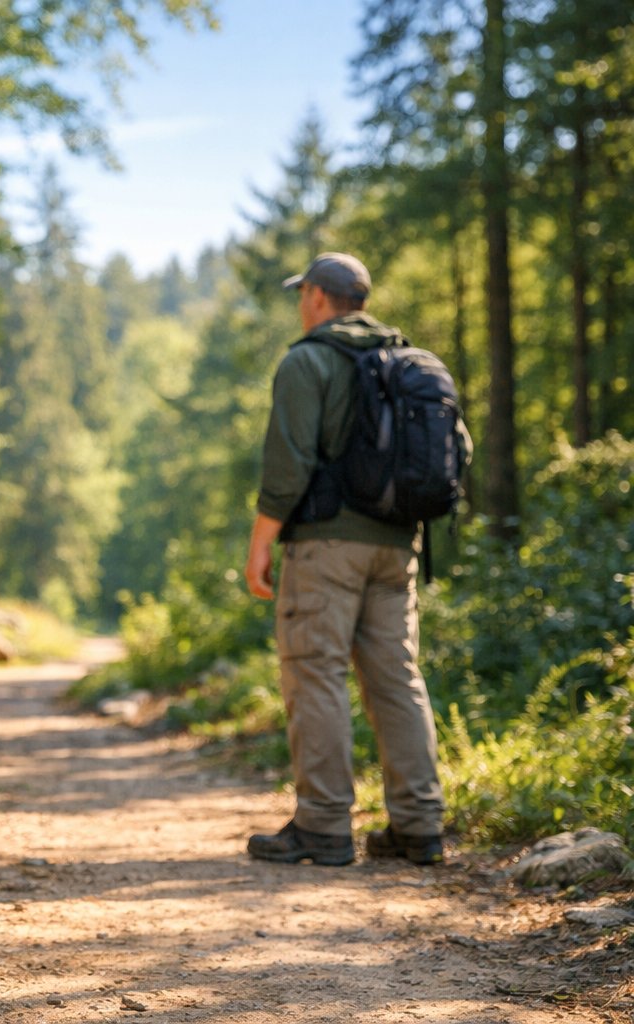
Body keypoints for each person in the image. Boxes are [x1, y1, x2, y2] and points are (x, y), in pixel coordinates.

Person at [243, 252, 462, 867]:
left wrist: (261, 545)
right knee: (397, 679)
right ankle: (418, 827)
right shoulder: (409, 362)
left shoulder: (308, 360)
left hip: (326, 547)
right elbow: (457, 450)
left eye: (300, 293)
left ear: (316, 296)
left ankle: (322, 826)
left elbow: (288, 465)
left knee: (316, 671)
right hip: (399, 547)